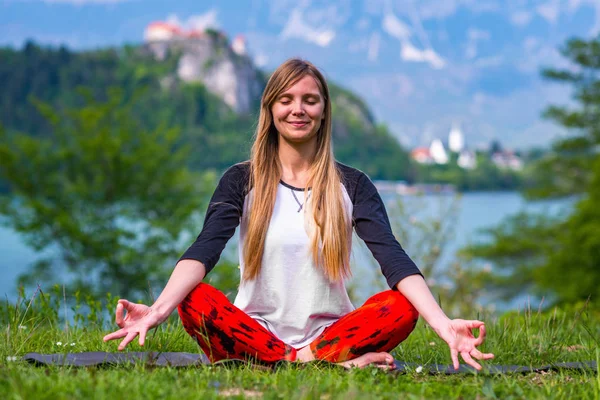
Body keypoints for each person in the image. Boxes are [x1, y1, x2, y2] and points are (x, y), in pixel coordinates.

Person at [103, 58, 494, 370]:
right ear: (270, 109)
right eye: (286, 100)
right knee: (194, 299)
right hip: (252, 332)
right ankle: (318, 364)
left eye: (310, 100)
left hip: (331, 334)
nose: (298, 110)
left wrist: (443, 325)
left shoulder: (352, 184)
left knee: (402, 307)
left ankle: (289, 361)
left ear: (324, 111)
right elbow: (204, 250)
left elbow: (392, 258)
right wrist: (156, 311)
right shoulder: (240, 180)